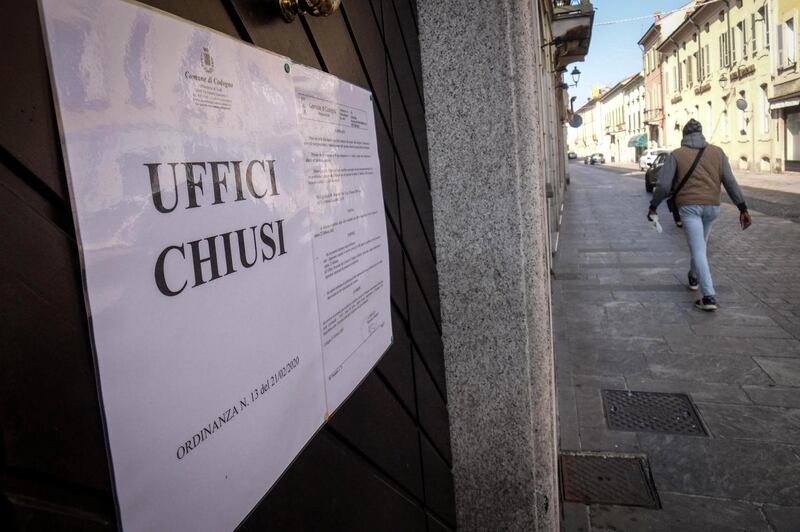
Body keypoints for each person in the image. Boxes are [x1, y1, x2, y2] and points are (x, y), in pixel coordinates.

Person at [648, 119, 752, 311]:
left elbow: (663, 185)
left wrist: (654, 206)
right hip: (712, 207)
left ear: (684, 136)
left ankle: (709, 296)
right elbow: (730, 181)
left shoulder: (676, 155)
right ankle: (693, 276)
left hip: (688, 208)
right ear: (701, 133)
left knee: (698, 250)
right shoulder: (718, 152)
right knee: (700, 245)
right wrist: (742, 207)